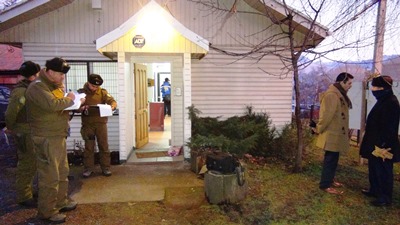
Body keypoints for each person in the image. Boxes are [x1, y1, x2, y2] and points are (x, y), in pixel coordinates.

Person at [25, 57, 82, 223]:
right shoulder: (37, 87)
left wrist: (74, 101)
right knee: (49, 176)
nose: (62, 77)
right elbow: (52, 104)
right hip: (46, 138)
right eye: (60, 74)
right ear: (49, 71)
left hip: (57, 135)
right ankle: (47, 212)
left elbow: (60, 104)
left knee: (62, 172)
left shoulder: (53, 86)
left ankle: (60, 202)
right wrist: (71, 98)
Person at [359, 75, 400, 207]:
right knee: (374, 168)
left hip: (384, 146)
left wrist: (383, 145)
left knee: (383, 170)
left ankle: (385, 197)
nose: (372, 89)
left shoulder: (391, 102)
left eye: (375, 87)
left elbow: (390, 126)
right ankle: (375, 190)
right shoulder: (383, 99)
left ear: (383, 88)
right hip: (375, 143)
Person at [311, 72, 354, 195]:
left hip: (336, 133)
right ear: (342, 82)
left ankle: (330, 180)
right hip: (331, 134)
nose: (350, 86)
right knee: (330, 159)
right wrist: (318, 129)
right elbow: (326, 116)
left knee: (334, 159)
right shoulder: (332, 95)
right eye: (349, 83)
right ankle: (325, 184)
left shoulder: (339, 94)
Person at [5, 61, 40, 207]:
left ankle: (30, 190)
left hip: (31, 130)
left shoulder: (30, 88)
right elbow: (11, 112)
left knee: (34, 162)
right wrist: (11, 127)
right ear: (34, 74)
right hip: (24, 131)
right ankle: (24, 196)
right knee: (27, 163)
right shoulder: (21, 91)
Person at [78, 74, 117, 178]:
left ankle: (105, 168)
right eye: (93, 86)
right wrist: (80, 108)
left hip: (101, 124)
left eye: (96, 87)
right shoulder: (81, 93)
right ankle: (88, 169)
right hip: (88, 124)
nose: (95, 88)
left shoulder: (102, 92)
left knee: (103, 146)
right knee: (89, 147)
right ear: (88, 83)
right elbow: (75, 106)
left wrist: (112, 106)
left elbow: (111, 101)